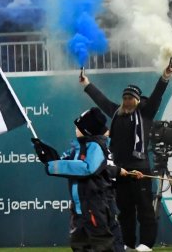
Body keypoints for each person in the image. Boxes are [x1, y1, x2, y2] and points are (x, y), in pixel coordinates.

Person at [82, 61, 172, 252]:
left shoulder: (146, 113)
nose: (127, 100)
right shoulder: (117, 113)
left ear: (138, 100)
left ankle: (146, 244)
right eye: (125, 97)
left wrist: (165, 76)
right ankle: (129, 243)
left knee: (145, 209)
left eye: (130, 98)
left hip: (140, 169)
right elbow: (102, 101)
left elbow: (157, 95)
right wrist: (87, 84)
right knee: (125, 211)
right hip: (121, 170)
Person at [35, 107, 121, 252]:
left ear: (87, 130)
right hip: (79, 209)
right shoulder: (77, 148)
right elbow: (63, 162)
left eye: (78, 127)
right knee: (79, 244)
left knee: (101, 244)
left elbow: (87, 168)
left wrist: (54, 166)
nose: (75, 129)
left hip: (95, 207)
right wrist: (46, 154)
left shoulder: (96, 146)